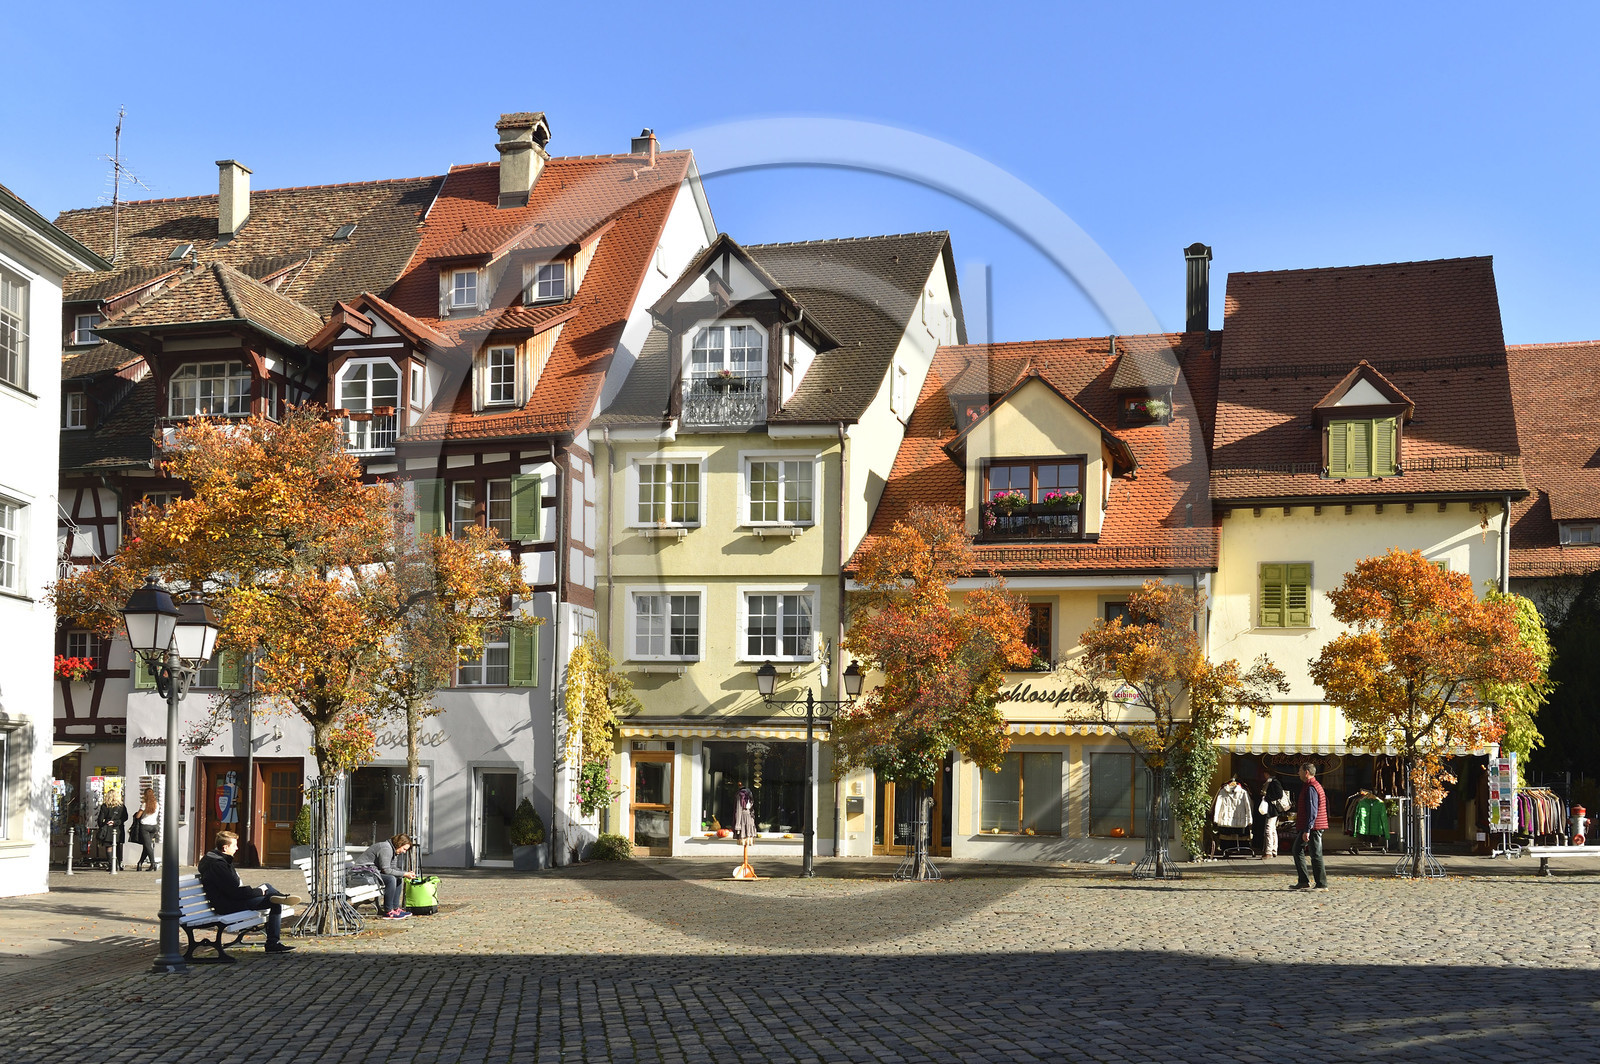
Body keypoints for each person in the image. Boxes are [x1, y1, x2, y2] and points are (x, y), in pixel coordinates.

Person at [197, 829, 301, 953]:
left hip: (230, 900)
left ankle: (282, 897)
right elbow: (234, 893)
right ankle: (273, 943)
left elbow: (233, 890)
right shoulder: (218, 865)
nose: (237, 848)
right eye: (234, 845)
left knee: (267, 887)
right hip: (227, 905)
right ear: (225, 847)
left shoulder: (218, 859)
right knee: (274, 902)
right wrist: (258, 892)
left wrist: (258, 891)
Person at [354, 834, 416, 920]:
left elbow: (393, 868)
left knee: (398, 877)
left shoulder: (393, 850)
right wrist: (405, 874)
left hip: (372, 873)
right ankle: (388, 911)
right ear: (399, 844)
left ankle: (395, 908)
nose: (404, 852)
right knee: (391, 879)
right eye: (404, 849)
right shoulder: (386, 848)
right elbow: (386, 870)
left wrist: (405, 873)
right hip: (363, 874)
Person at [1290, 763, 1329, 891]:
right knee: (1297, 849)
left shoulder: (1311, 787)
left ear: (1306, 772)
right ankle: (1303, 881)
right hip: (1311, 825)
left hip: (1313, 826)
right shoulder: (1310, 785)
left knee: (1315, 854)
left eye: (1300, 770)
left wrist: (1307, 829)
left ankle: (1321, 883)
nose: (1298, 773)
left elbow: (1312, 810)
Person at [132, 787, 160, 871]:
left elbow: (138, 816)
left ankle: (153, 863)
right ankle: (140, 863)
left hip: (145, 826)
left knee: (147, 845)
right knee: (146, 846)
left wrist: (138, 812)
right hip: (154, 826)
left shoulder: (144, 804)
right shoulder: (156, 804)